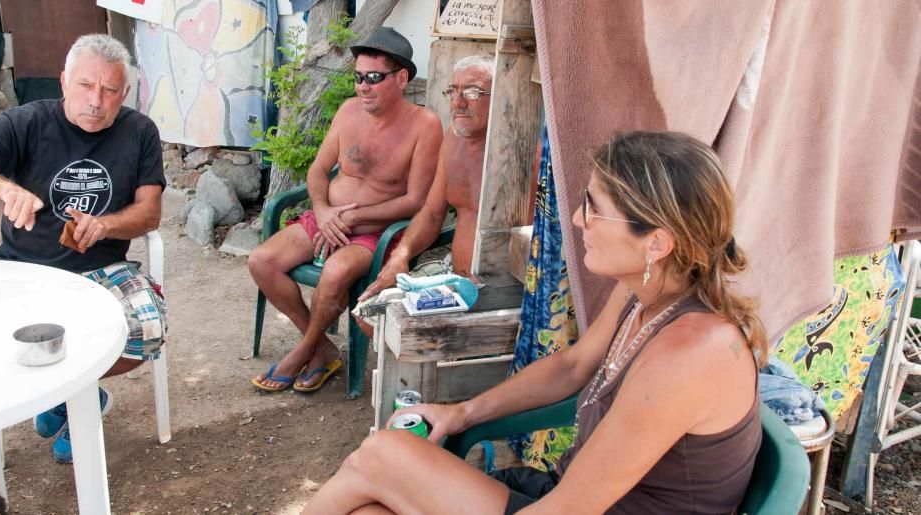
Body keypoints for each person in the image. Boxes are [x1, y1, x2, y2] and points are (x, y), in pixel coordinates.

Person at [304, 130, 769, 514]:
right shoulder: (648, 292)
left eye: (593, 206)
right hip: (570, 496)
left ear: (657, 243)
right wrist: (460, 413)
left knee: (384, 456)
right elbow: (572, 367)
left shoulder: (689, 354)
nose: (576, 218)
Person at [0, 34, 167, 463]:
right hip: (24, 269)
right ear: (63, 81)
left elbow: (149, 213)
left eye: (109, 90)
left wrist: (106, 225)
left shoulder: (139, 131)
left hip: (104, 268)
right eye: (85, 85)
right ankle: (75, 398)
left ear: (125, 93)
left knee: (148, 331)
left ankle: (70, 394)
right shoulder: (26, 123)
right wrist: (5, 190)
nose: (96, 100)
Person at [248, 27, 443, 393]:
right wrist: (322, 211)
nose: (363, 86)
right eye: (358, 77)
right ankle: (322, 347)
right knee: (261, 261)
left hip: (376, 231)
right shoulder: (348, 110)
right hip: (328, 219)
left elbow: (416, 201)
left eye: (373, 77)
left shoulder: (424, 125)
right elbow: (318, 171)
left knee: (335, 273)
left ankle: (304, 349)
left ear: (401, 78)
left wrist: (350, 218)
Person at [355, 53, 494, 320]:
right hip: (455, 275)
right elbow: (431, 212)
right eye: (453, 91)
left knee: (403, 329)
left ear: (501, 96)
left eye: (473, 92)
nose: (458, 103)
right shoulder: (454, 138)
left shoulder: (523, 153)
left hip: (496, 289)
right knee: (369, 314)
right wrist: (400, 255)